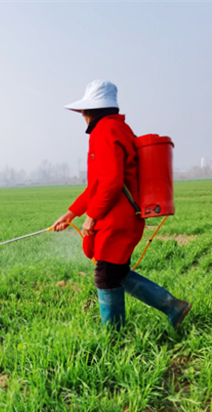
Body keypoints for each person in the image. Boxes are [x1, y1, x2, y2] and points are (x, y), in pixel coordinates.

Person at [52, 80, 191, 330]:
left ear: (90, 110)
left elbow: (111, 182)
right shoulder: (119, 128)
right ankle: (173, 306)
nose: (81, 116)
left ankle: (113, 336)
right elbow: (96, 185)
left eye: (82, 111)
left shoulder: (104, 131)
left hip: (117, 218)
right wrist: (71, 213)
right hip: (125, 215)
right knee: (117, 273)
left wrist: (91, 217)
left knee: (106, 275)